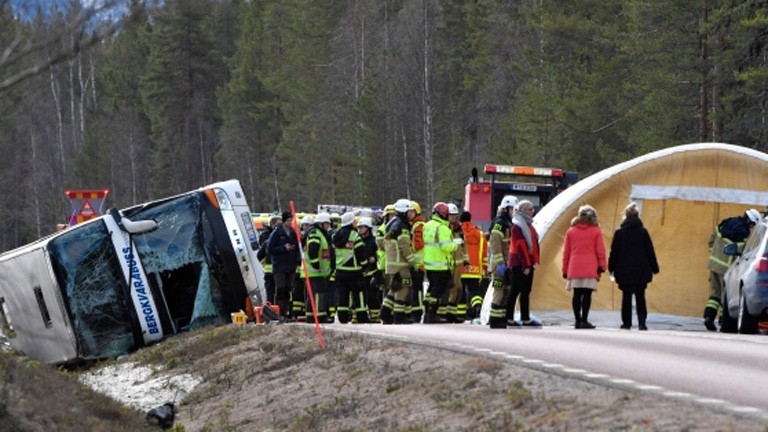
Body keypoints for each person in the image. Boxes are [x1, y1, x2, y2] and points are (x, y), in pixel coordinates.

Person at [703, 208, 760, 331]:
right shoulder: (743, 234)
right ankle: (724, 322)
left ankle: (709, 317)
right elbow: (743, 252)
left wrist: (713, 257)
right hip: (726, 269)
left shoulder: (725, 223)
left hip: (713, 265)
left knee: (715, 294)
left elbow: (711, 240)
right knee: (726, 296)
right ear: (750, 222)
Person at [608, 202, 660, 330]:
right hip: (641, 270)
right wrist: (655, 268)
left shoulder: (619, 233)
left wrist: (611, 268)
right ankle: (642, 323)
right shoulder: (643, 232)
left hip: (624, 271)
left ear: (625, 216)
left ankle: (627, 323)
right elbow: (650, 251)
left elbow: (614, 252)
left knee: (626, 296)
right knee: (640, 296)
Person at [562, 205, 606, 329]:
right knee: (587, 294)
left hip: (574, 265)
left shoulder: (571, 231)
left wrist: (565, 269)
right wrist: (602, 265)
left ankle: (577, 320)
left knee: (576, 294)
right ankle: (584, 320)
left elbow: (566, 252)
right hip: (590, 266)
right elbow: (600, 251)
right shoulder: (596, 231)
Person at [379, 199, 417, 324]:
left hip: (391, 264)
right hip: (400, 264)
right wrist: (412, 262)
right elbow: (405, 246)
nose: (412, 214)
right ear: (403, 212)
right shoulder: (402, 226)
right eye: (409, 211)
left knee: (394, 288)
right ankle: (399, 316)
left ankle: (384, 312)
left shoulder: (391, 223)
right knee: (403, 288)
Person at [333, 212, 372, 324]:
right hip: (354, 271)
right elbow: (361, 253)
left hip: (340, 270)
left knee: (342, 295)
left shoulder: (336, 236)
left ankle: (342, 317)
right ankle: (362, 317)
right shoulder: (354, 235)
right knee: (359, 293)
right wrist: (365, 266)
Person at [423, 202, 459, 324]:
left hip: (429, 263)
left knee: (431, 288)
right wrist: (455, 245)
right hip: (440, 264)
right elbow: (446, 247)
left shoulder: (427, 225)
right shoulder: (443, 228)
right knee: (437, 290)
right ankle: (432, 314)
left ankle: (427, 311)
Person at [506, 200, 540, 327]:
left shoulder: (528, 225)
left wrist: (534, 261)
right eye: (529, 209)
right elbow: (520, 246)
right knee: (520, 290)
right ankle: (522, 318)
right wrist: (526, 265)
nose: (532, 211)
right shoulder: (518, 226)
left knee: (521, 290)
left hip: (526, 262)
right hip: (519, 262)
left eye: (532, 209)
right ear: (522, 211)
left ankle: (513, 317)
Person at [488, 195, 518, 329]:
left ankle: (501, 318)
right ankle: (494, 319)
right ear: (506, 209)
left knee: (506, 290)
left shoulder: (509, 224)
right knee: (499, 290)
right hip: (499, 264)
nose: (514, 212)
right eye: (513, 209)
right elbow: (495, 244)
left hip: (507, 263)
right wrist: (500, 263)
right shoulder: (500, 223)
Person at [268, 211, 300, 320]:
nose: (289, 223)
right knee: (280, 290)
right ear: (283, 221)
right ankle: (278, 313)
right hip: (280, 266)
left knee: (288, 290)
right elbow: (270, 248)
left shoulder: (293, 233)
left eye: (291, 220)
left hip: (290, 266)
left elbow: (298, 246)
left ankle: (286, 312)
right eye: (288, 221)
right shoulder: (277, 233)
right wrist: (283, 248)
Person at [305, 212, 335, 323]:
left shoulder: (320, 233)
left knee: (316, 294)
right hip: (315, 271)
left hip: (319, 272)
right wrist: (316, 264)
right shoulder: (315, 233)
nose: (328, 227)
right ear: (321, 224)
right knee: (318, 294)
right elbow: (312, 250)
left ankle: (313, 316)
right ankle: (318, 317)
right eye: (327, 224)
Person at [459, 211, 488, 320]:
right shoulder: (480, 234)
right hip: (475, 269)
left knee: (461, 291)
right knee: (475, 290)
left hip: (461, 268)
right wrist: (485, 268)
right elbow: (484, 254)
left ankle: (461, 314)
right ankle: (477, 307)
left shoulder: (457, 232)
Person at [443, 203, 467, 323]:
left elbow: (463, 245)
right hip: (447, 263)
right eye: (451, 216)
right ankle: (443, 312)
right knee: (447, 288)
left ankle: (451, 313)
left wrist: (466, 260)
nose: (454, 218)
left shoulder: (459, 229)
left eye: (455, 216)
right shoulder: (444, 228)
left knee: (457, 288)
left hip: (457, 263)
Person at [357, 217, 381, 321]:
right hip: (360, 272)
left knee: (372, 295)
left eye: (362, 227)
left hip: (372, 272)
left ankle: (375, 316)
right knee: (360, 295)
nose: (360, 229)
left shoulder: (373, 240)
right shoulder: (357, 240)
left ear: (368, 228)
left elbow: (380, 253)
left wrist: (375, 258)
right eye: (359, 227)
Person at [292, 215, 315, 320]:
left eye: (307, 225)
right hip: (299, 269)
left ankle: (305, 311)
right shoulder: (300, 238)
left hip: (306, 270)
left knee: (305, 292)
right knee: (297, 292)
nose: (305, 227)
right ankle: (297, 312)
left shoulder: (307, 237)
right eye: (304, 225)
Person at [409, 201, 427, 323]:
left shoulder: (418, 225)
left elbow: (418, 244)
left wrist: (409, 244)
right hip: (415, 263)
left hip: (418, 263)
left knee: (417, 289)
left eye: (410, 211)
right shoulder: (415, 224)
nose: (408, 214)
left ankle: (417, 312)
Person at [257, 214, 281, 304]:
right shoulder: (266, 236)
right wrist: (265, 264)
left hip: (279, 270)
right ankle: (271, 311)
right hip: (272, 270)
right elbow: (261, 254)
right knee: (271, 293)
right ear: (272, 224)